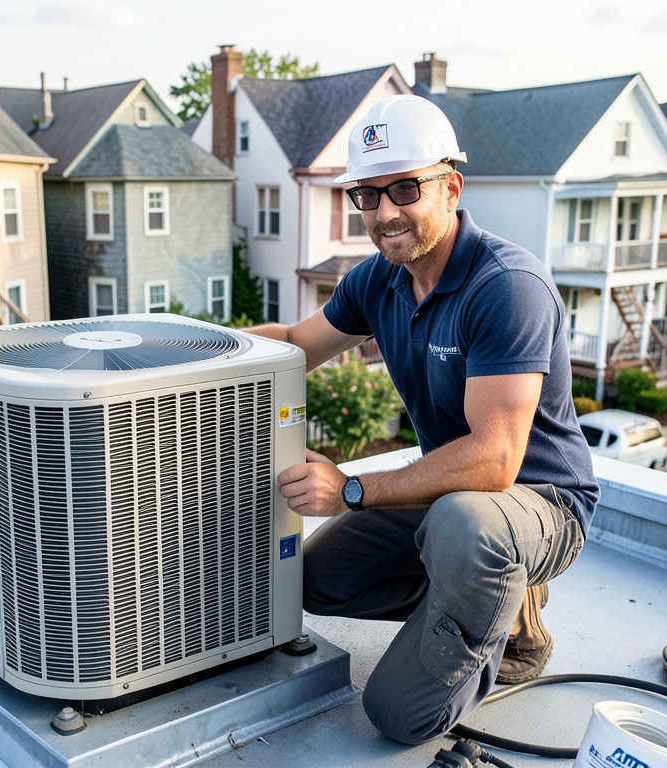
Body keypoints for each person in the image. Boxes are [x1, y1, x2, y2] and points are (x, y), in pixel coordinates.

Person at [247, 95, 599, 745]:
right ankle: (498, 602)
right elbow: (294, 344)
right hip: (455, 500)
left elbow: (495, 461)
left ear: (450, 187)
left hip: (538, 502)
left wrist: (350, 489)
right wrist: (188, 354)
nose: (385, 212)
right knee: (314, 582)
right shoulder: (376, 281)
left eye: (404, 188)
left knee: (397, 715)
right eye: (369, 195)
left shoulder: (505, 286)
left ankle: (514, 633)